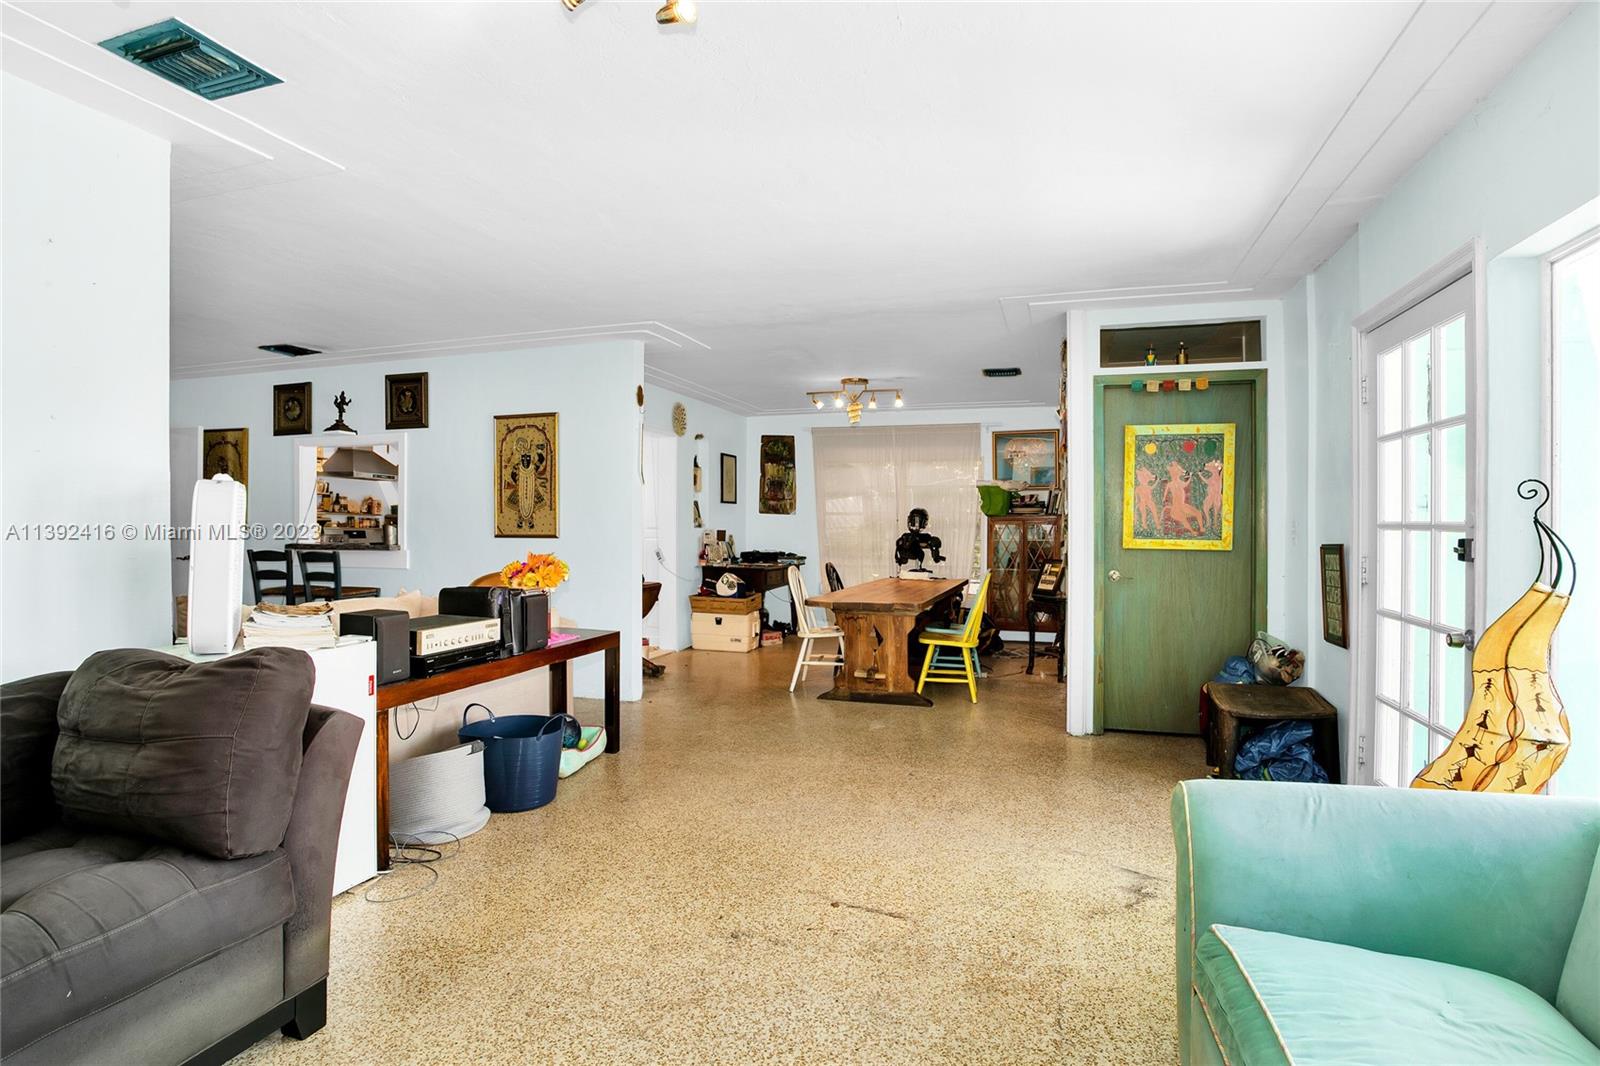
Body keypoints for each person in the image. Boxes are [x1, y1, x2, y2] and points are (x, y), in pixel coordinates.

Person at [895, 508, 944, 574]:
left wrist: (936, 556)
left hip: (909, 571)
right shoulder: (904, 538)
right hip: (906, 572)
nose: (916, 523)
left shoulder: (923, 537)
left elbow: (933, 543)